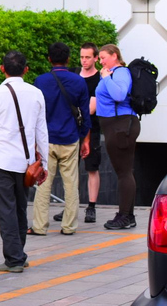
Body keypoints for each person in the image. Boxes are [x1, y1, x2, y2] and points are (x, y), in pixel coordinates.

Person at [0, 50, 49, 273]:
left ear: (2, 68)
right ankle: (19, 253)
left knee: (6, 209)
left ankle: (14, 259)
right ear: (26, 69)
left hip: (0, 160)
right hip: (26, 163)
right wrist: (44, 162)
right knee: (19, 207)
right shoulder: (36, 93)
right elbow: (41, 131)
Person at [29, 42, 91, 236]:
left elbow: (34, 113)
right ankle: (69, 226)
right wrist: (84, 140)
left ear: (49, 59)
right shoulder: (79, 81)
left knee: (44, 183)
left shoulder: (40, 81)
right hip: (70, 138)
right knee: (71, 184)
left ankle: (39, 226)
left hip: (46, 139)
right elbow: (86, 115)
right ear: (68, 59)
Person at [53, 42, 101, 223]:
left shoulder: (98, 80)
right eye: (82, 57)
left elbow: (91, 109)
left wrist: (73, 109)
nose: (84, 61)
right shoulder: (73, 74)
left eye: (88, 57)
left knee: (92, 168)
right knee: (69, 170)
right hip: (70, 128)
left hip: (91, 128)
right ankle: (69, 207)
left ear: (96, 58)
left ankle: (91, 207)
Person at [96, 44, 140, 230]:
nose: (101, 61)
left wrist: (106, 78)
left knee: (124, 172)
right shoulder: (111, 72)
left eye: (104, 57)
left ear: (115, 56)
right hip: (115, 125)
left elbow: (120, 94)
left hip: (121, 125)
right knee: (124, 171)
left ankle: (124, 216)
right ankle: (127, 216)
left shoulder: (120, 72)